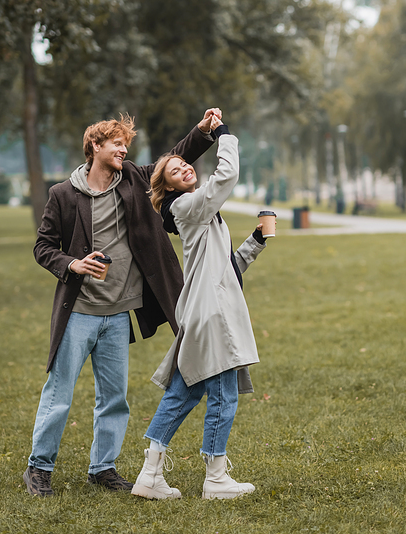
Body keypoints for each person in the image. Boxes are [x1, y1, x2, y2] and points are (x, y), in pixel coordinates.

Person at [23, 109, 220, 497]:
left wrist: (202, 130)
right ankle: (39, 468)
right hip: (78, 312)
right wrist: (72, 263)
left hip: (117, 315)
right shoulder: (62, 194)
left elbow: (172, 159)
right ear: (94, 145)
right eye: (117, 144)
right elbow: (42, 247)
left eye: (126, 145)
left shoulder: (131, 177)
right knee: (59, 392)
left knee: (114, 398)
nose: (124, 150)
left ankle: (103, 468)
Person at [131, 116, 268, 501]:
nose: (185, 166)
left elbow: (225, 267)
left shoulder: (199, 213)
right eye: (175, 169)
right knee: (224, 396)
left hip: (200, 312)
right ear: (168, 187)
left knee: (183, 394)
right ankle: (216, 478)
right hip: (212, 317)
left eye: (184, 163)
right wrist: (225, 136)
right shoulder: (186, 206)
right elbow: (225, 177)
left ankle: (149, 474)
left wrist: (255, 242)